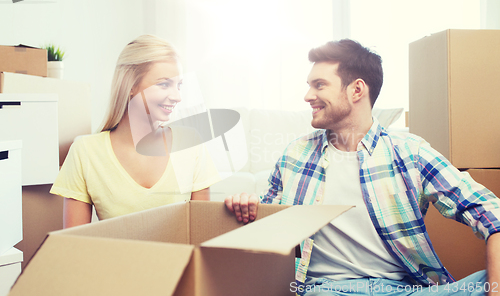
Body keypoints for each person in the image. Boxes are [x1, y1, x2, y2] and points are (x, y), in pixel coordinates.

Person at [225, 39, 500, 295]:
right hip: (326, 289)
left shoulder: (410, 152)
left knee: (485, 281)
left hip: (404, 291)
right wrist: (248, 208)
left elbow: (491, 213)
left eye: (319, 85)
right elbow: (268, 228)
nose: (308, 95)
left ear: (357, 89)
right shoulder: (295, 155)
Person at [51, 35, 220, 228]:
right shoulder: (85, 152)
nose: (177, 96)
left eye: (179, 86)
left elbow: (201, 232)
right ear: (130, 85)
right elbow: (75, 245)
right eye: (164, 84)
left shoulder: (191, 144)